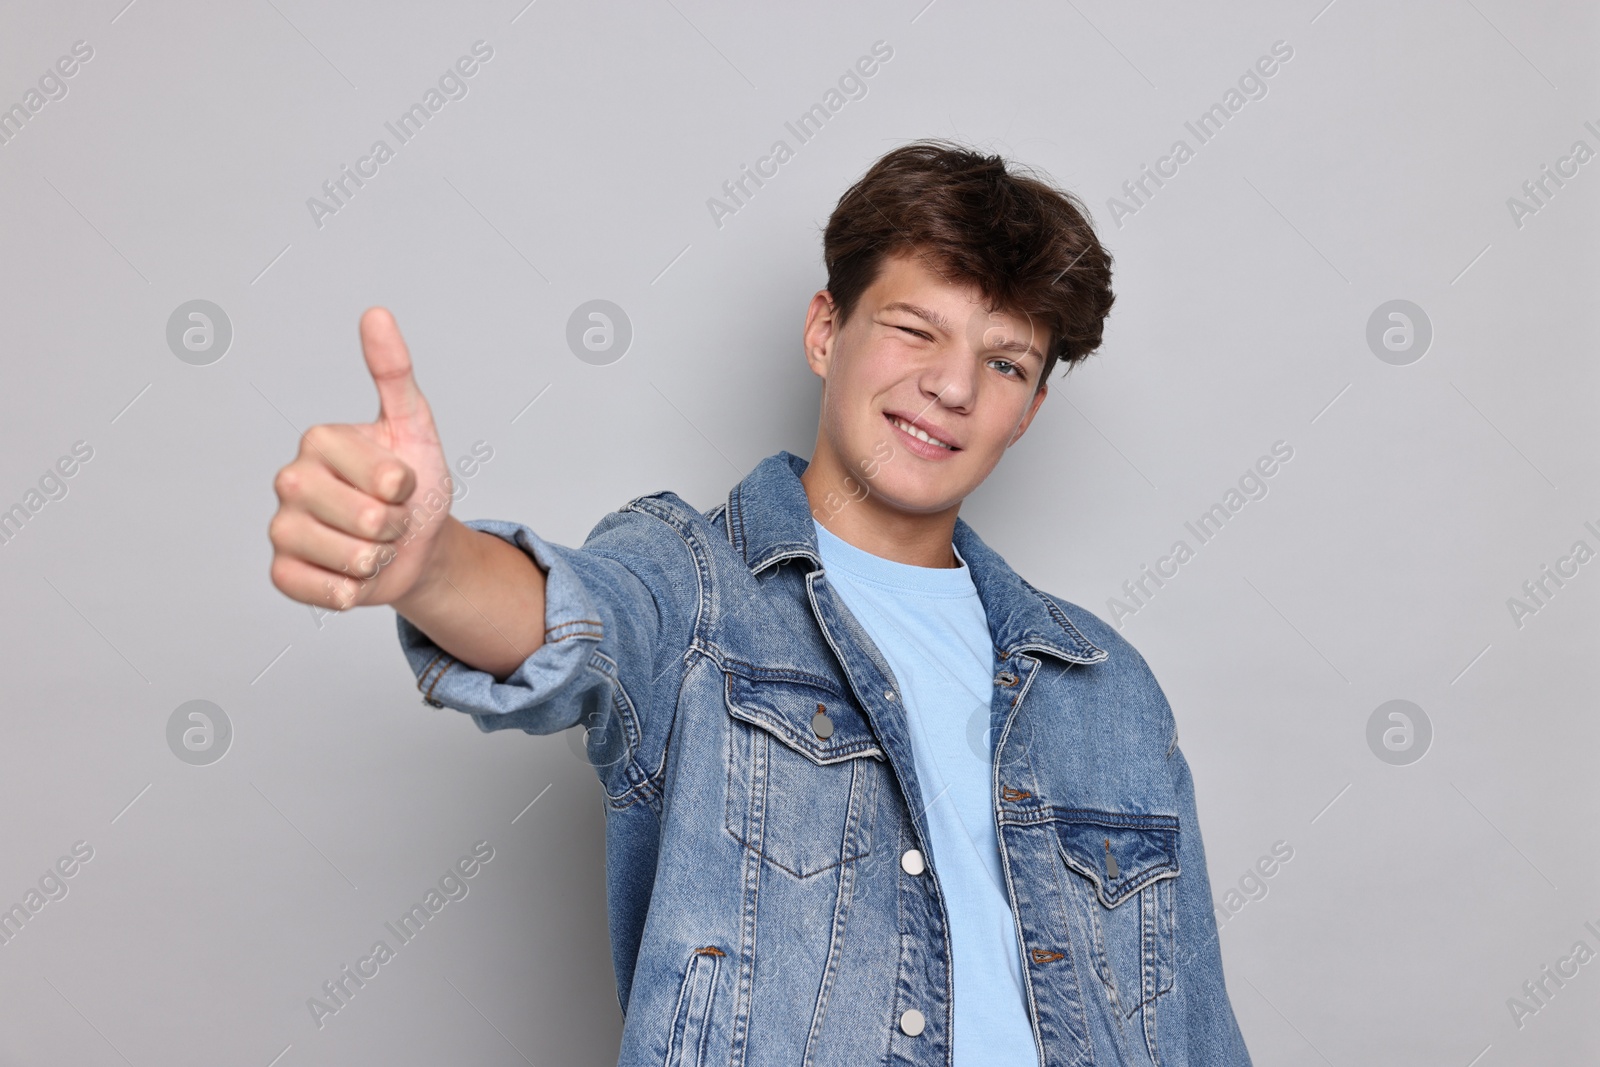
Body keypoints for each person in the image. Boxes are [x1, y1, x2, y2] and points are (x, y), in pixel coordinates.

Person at [268, 140, 1253, 1066]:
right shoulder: (694, 584)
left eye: (1004, 362)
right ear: (826, 331)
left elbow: (1195, 1027)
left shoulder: (1107, 686)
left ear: (1028, 409)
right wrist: (431, 562)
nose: (952, 385)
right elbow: (578, 618)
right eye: (915, 328)